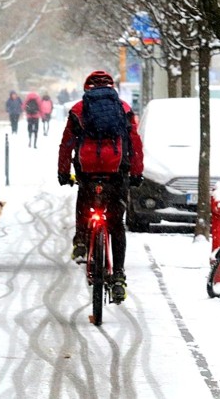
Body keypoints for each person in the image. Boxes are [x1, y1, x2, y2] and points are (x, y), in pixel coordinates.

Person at [57, 70, 144, 303]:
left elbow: (66, 144)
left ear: (87, 89)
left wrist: (63, 172)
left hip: (88, 172)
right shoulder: (124, 109)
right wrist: (135, 173)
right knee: (116, 224)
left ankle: (82, 240)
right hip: (116, 173)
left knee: (84, 201)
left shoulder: (78, 110)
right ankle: (118, 276)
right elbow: (135, 143)